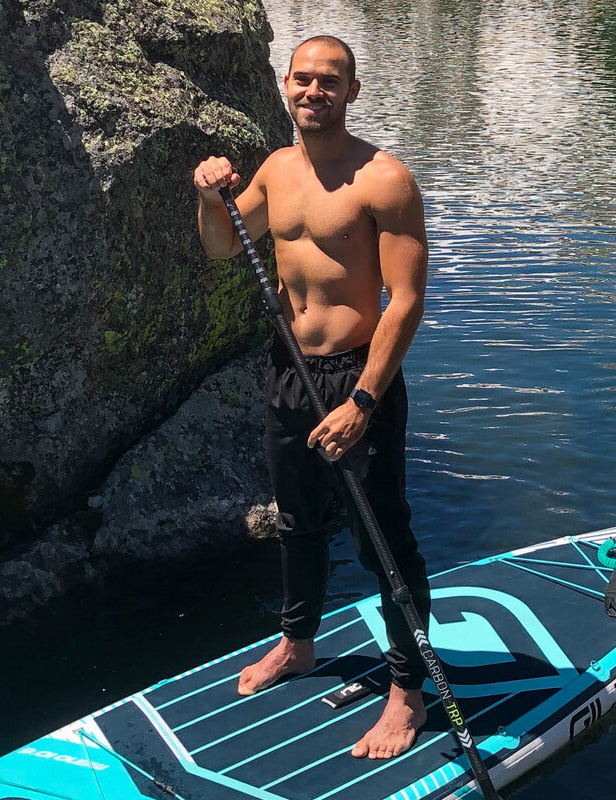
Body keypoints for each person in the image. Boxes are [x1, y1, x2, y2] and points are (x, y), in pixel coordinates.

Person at [193, 35, 432, 761]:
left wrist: (364, 399)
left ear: (352, 91)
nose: (314, 91)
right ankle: (297, 643)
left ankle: (407, 692)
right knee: (295, 524)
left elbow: (407, 301)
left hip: (360, 379)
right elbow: (222, 248)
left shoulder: (384, 180)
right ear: (285, 84)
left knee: (382, 541)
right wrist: (212, 200)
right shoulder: (274, 171)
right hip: (290, 371)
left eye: (330, 81)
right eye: (303, 79)